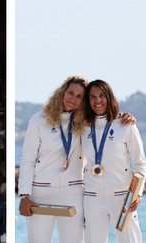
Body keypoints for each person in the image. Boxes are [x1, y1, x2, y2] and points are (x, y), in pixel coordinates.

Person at [18, 76, 135, 242]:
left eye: (79, 96)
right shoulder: (38, 120)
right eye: (70, 93)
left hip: (72, 192)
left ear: (83, 101)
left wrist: (123, 116)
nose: (73, 99)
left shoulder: (85, 123)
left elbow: (106, 121)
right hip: (40, 194)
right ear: (62, 92)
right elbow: (27, 160)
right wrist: (24, 195)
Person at [82, 80, 146, 243]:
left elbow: (139, 163)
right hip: (92, 197)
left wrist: (136, 194)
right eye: (93, 97)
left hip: (123, 197)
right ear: (87, 101)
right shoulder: (82, 128)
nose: (98, 101)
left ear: (109, 97)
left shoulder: (125, 124)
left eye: (102, 95)